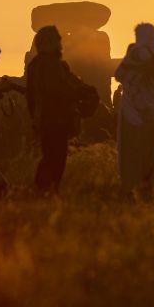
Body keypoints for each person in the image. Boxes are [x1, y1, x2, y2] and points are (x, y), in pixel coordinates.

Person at [26, 26, 90, 194]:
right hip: (56, 119)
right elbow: (58, 91)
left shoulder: (35, 65)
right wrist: (80, 92)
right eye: (57, 40)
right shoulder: (50, 65)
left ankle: (44, 191)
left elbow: (30, 98)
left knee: (50, 156)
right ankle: (47, 191)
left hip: (45, 119)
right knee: (56, 158)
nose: (61, 44)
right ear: (48, 42)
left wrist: (35, 118)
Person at [114, 23, 154, 197]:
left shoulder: (136, 53)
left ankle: (130, 190)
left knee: (131, 152)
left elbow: (118, 75)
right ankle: (151, 189)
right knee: (152, 153)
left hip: (132, 113)